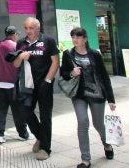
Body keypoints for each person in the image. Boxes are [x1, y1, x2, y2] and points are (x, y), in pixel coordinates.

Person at [60, 27, 116, 168]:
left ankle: (107, 145)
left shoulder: (95, 55)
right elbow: (64, 73)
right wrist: (72, 73)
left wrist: (111, 99)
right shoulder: (68, 54)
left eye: (78, 37)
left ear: (85, 39)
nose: (75, 40)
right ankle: (86, 159)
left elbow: (104, 76)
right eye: (73, 37)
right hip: (79, 95)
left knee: (98, 124)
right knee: (83, 122)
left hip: (97, 94)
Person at [13, 17, 59, 160]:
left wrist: (48, 80)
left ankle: (45, 148)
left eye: (31, 28)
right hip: (27, 86)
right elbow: (15, 64)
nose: (28, 31)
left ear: (38, 28)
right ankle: (40, 136)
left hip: (44, 84)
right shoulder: (21, 43)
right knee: (24, 111)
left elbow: (56, 62)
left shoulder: (48, 40)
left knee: (45, 116)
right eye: (26, 28)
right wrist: (21, 57)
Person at [0, 26, 30, 143]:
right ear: (14, 35)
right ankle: (23, 134)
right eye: (17, 35)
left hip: (0, 82)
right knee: (17, 111)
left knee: (0, 109)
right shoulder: (15, 46)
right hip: (13, 83)